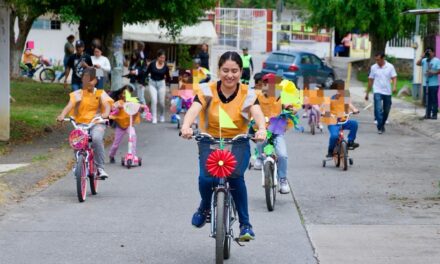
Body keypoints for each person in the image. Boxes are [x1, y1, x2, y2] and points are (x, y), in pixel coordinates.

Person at [180, 51, 267, 241]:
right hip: (209, 140)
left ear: (241, 72)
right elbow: (194, 109)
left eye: (234, 71)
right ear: (218, 70)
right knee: (206, 179)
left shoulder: (248, 93)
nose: (230, 75)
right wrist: (186, 126)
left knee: (235, 177)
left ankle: (245, 225)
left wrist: (261, 129)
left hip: (238, 141)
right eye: (225, 70)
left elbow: (257, 112)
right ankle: (204, 206)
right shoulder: (206, 90)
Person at [57, 67, 113, 178]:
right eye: (85, 79)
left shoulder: (100, 93)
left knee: (96, 138)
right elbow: (69, 106)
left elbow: (107, 106)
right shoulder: (77, 94)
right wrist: (62, 115)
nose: (88, 82)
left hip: (96, 123)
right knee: (77, 139)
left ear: (96, 80)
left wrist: (104, 115)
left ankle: (100, 168)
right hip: (81, 123)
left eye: (91, 80)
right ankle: (78, 162)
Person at [252, 73, 292, 194]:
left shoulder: (282, 97)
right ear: (263, 85)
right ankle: (259, 157)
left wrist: (291, 110)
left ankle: (283, 179)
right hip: (261, 129)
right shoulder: (257, 97)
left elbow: (290, 108)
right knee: (260, 141)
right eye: (267, 84)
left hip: (277, 130)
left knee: (283, 155)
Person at [108, 86, 143, 163]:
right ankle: (111, 155)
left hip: (129, 125)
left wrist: (141, 107)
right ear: (121, 94)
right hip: (120, 126)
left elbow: (140, 108)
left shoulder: (133, 102)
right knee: (116, 144)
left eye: (127, 94)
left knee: (133, 136)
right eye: (123, 93)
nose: (125, 95)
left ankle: (132, 155)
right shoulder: (120, 102)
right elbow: (113, 107)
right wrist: (117, 107)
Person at [365, 52, 397, 134]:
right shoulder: (373, 67)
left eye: (378, 60)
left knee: (386, 110)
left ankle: (382, 124)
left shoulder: (390, 66)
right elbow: (370, 80)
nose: (377, 61)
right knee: (378, 109)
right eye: (376, 60)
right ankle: (380, 126)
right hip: (377, 90)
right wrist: (367, 93)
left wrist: (394, 87)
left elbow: (394, 77)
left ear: (383, 58)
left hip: (387, 91)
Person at [326, 80, 360, 158]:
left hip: (343, 119)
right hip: (333, 121)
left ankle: (350, 142)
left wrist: (354, 109)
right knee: (334, 136)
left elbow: (349, 103)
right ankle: (330, 151)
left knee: (354, 124)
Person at [145, 49, 171, 124]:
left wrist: (169, 86)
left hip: (161, 84)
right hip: (152, 83)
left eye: (164, 58)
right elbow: (146, 73)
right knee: (154, 100)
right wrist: (143, 82)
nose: (163, 59)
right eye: (161, 57)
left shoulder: (165, 66)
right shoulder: (152, 64)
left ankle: (162, 115)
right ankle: (154, 117)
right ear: (158, 57)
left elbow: (168, 77)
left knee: (162, 102)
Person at [417, 47, 440, 120]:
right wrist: (421, 57)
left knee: (434, 99)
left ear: (433, 53)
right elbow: (417, 63)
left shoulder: (437, 60)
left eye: (430, 51)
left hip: (434, 84)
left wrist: (432, 72)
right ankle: (427, 114)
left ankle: (434, 115)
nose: (428, 53)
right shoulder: (424, 60)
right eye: (427, 51)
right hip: (425, 84)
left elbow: (439, 70)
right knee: (427, 99)